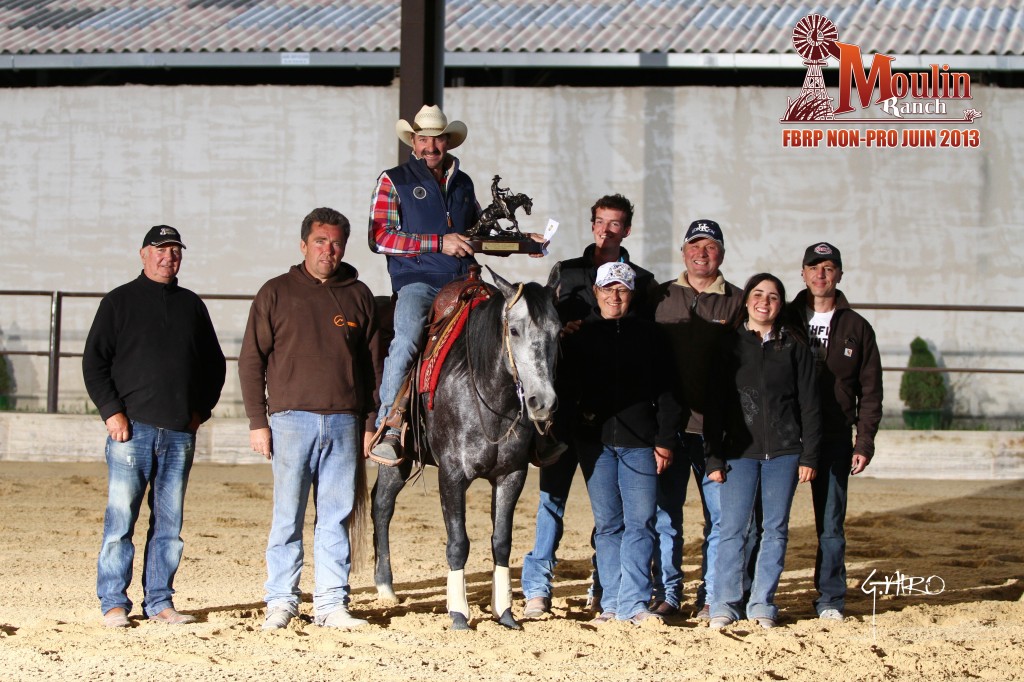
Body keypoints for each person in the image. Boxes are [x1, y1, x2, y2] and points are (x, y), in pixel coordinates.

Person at [238, 207, 383, 630]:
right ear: (304, 244)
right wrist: (257, 421)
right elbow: (251, 360)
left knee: (336, 516)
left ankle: (331, 604)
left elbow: (373, 368)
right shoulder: (276, 293)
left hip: (344, 422)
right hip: (289, 422)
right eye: (320, 241)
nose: (328, 250)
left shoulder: (359, 295)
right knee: (288, 515)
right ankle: (281, 601)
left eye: (336, 243)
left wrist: (370, 423)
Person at [84, 225, 225, 628]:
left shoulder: (192, 306)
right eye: (161, 250)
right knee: (120, 521)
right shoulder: (118, 302)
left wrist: (201, 411)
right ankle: (113, 603)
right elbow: (94, 362)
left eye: (175, 250)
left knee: (170, 526)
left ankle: (160, 601)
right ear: (143, 254)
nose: (169, 257)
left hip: (180, 433)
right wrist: (112, 413)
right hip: (131, 431)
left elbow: (214, 365)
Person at [521, 194, 655, 618]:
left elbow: (638, 336)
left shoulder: (642, 280)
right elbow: (544, 324)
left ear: (626, 230)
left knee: (610, 510)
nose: (607, 230)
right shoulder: (567, 272)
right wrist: (565, 330)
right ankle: (537, 586)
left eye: (616, 224)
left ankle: (604, 585)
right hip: (564, 407)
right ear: (593, 224)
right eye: (601, 222)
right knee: (551, 500)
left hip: (613, 416)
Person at [559, 261, 680, 624]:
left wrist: (664, 440)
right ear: (596, 292)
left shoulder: (653, 336)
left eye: (622, 289)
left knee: (640, 523)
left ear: (631, 294)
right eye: (608, 287)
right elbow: (564, 389)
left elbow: (670, 393)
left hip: (641, 444)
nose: (615, 295)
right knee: (608, 524)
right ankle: (611, 602)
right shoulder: (579, 336)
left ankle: (634, 603)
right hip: (594, 444)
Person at [705, 273, 821, 630]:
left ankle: (761, 603)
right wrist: (713, 456)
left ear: (780, 304)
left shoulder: (795, 347)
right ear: (747, 301)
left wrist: (809, 456)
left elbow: (810, 404)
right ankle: (725, 603)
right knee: (733, 529)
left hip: (785, 454)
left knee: (775, 530)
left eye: (773, 296)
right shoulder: (727, 344)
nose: (765, 301)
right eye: (758, 294)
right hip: (738, 453)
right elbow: (715, 405)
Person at [366, 105, 480, 465]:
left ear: (448, 141)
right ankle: (391, 424)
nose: (431, 146)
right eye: (423, 139)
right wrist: (438, 242)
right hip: (417, 279)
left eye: (438, 138)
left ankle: (528, 426)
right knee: (409, 335)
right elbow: (380, 237)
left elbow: (475, 234)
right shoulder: (393, 179)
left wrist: (523, 242)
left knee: (509, 331)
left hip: (465, 279)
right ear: (413, 142)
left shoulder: (464, 183)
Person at [651, 219, 743, 618]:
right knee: (665, 516)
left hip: (715, 434)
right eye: (695, 246)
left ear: (721, 253)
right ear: (683, 251)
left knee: (720, 520)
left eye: (710, 246)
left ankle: (711, 594)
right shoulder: (659, 297)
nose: (701, 253)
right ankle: (668, 594)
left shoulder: (740, 302)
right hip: (668, 431)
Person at [787, 242, 882, 621]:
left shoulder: (857, 327)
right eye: (814, 267)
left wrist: (865, 441)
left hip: (835, 436)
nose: (821, 274)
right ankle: (752, 594)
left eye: (828, 267)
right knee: (763, 523)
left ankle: (830, 598)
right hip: (784, 436)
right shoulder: (785, 316)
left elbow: (870, 390)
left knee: (830, 525)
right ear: (803, 272)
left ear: (839, 274)